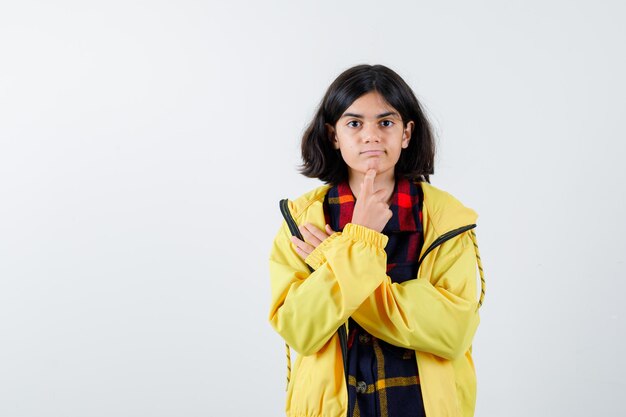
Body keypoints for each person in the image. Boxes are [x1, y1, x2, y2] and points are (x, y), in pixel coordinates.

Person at [268, 64, 485, 417]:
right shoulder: (304, 221)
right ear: (333, 135)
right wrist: (363, 242)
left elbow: (452, 332)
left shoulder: (447, 219)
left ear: (406, 133)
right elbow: (300, 329)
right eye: (354, 123)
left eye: (386, 123)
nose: (371, 135)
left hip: (421, 405)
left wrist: (336, 262)